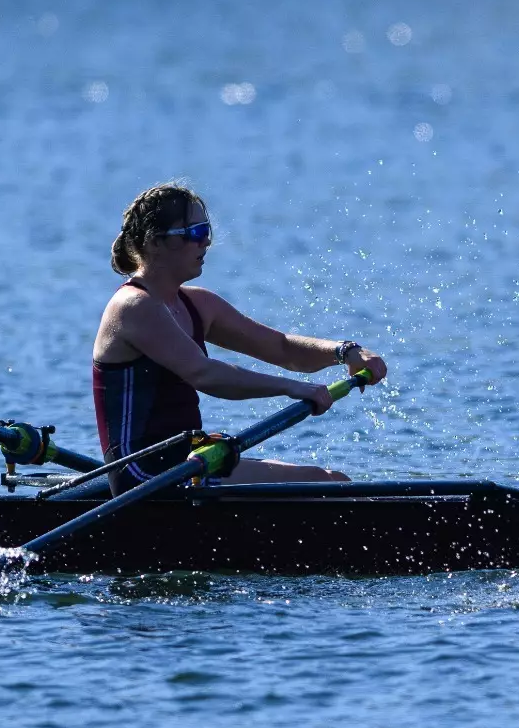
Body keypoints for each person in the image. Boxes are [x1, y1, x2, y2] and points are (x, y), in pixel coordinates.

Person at [92, 181, 388, 494]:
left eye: (206, 230)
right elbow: (205, 374)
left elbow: (283, 348)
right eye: (194, 232)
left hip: (188, 462)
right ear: (154, 242)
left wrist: (346, 351)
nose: (206, 241)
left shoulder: (198, 304)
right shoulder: (133, 307)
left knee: (332, 481)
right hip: (143, 477)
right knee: (323, 485)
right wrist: (291, 387)